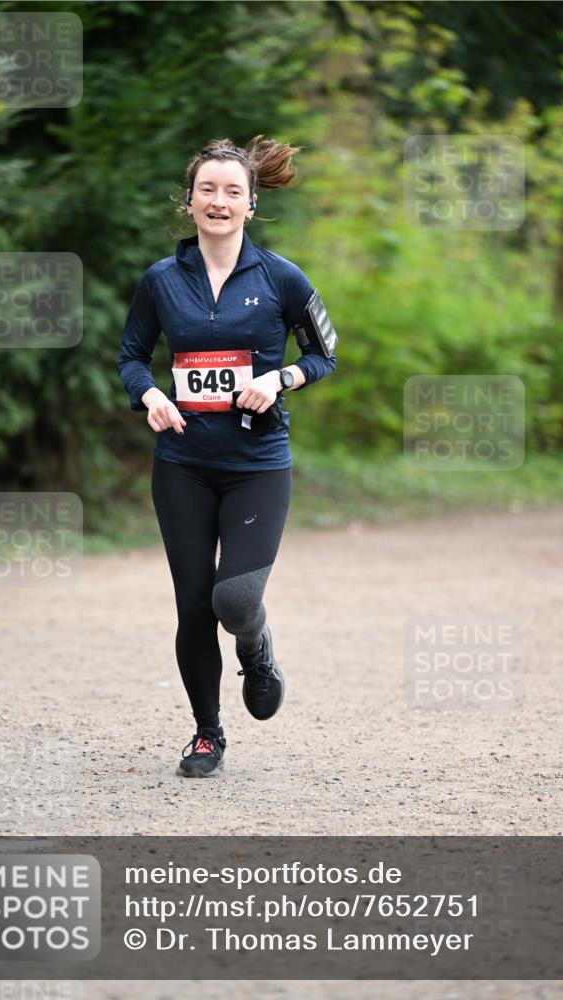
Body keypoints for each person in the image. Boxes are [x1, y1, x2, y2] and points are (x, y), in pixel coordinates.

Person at [117, 135, 337, 777]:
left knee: (235, 600)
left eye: (232, 191)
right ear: (188, 202)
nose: (219, 201)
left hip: (257, 464)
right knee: (193, 606)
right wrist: (150, 394)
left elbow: (323, 354)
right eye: (207, 189)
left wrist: (280, 379)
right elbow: (131, 357)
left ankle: (256, 646)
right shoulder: (161, 280)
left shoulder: (282, 278)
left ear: (251, 204)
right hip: (182, 464)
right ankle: (207, 734)